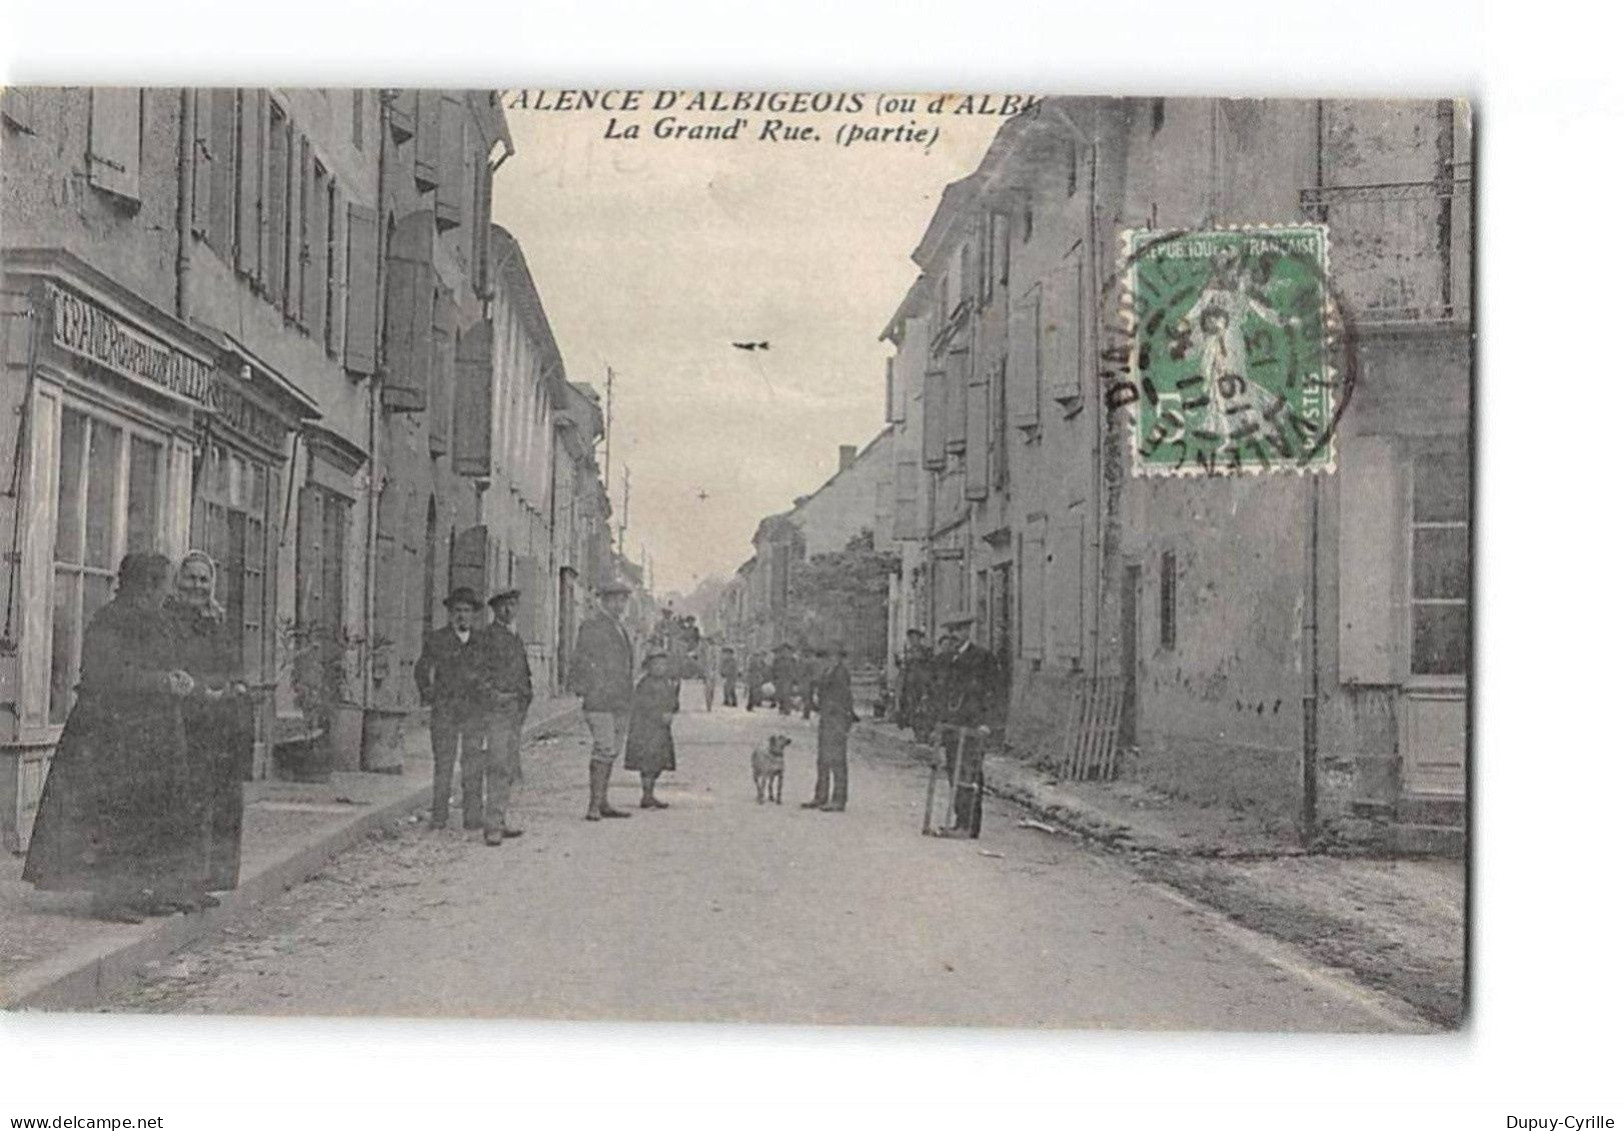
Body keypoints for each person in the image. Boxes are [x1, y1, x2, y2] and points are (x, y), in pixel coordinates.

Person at [23, 553, 200, 921]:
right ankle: (111, 898)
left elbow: (157, 665)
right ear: (146, 584)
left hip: (150, 731)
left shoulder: (156, 620)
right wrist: (161, 682)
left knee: (149, 813)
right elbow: (104, 677)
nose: (167, 591)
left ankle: (144, 892)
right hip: (112, 734)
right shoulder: (111, 621)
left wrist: (175, 677)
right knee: (116, 815)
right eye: (164, 583)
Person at [167, 550, 254, 895]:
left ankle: (215, 875)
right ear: (178, 581)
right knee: (190, 798)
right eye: (191, 577)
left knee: (222, 798)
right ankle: (185, 878)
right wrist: (202, 689)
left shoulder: (217, 622)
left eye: (204, 579)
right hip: (185, 719)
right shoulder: (168, 621)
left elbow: (233, 664)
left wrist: (236, 684)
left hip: (220, 722)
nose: (197, 586)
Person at [414, 587, 490, 832]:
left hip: (473, 712)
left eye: (467, 611)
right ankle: (439, 816)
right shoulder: (438, 639)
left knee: (473, 763)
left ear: (474, 615)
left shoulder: (482, 641)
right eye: (457, 611)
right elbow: (421, 670)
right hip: (445, 710)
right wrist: (430, 694)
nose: (462, 616)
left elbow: (492, 673)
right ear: (449, 613)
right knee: (443, 763)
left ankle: (473, 816)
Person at [570, 578, 637, 821]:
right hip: (600, 699)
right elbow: (581, 659)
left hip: (620, 699)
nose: (621, 604)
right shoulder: (592, 626)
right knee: (604, 747)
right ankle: (594, 805)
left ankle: (604, 800)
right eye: (616, 599)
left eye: (623, 600)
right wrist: (590, 688)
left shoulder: (621, 628)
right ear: (605, 601)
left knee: (612, 750)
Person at [934, 613, 1006, 837]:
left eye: (957, 631)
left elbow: (995, 693)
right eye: (950, 632)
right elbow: (940, 694)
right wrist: (938, 724)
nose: (953, 636)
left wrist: (988, 723)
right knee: (954, 773)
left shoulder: (983, 658)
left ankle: (970, 826)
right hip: (952, 728)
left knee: (970, 774)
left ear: (967, 632)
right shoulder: (946, 660)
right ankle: (959, 820)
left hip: (974, 726)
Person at [476, 588, 532, 846]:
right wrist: (494, 696)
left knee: (509, 765)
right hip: (496, 710)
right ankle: (492, 826)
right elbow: (477, 675)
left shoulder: (515, 637)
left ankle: (499, 818)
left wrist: (524, 700)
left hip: (514, 710)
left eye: (513, 605)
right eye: (504, 606)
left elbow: (523, 673)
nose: (509, 610)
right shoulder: (487, 637)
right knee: (498, 764)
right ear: (495, 610)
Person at [802, 644, 856, 812]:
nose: (829, 658)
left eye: (833, 655)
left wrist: (844, 717)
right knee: (823, 760)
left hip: (837, 718)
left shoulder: (841, 672)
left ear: (839, 657)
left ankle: (839, 800)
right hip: (827, 717)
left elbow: (844, 697)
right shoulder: (827, 672)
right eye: (828, 655)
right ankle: (821, 796)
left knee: (837, 760)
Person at [625, 651, 680, 809]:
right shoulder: (645, 684)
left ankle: (650, 793)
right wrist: (660, 714)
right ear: (649, 667)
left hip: (660, 730)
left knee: (658, 763)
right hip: (645, 730)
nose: (660, 668)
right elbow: (642, 706)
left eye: (663, 665)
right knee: (648, 763)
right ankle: (647, 795)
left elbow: (673, 703)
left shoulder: (666, 683)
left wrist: (672, 706)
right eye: (656, 665)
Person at [896, 628, 931, 731]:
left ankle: (922, 728)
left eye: (914, 638)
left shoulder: (925, 651)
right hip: (909, 682)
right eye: (910, 638)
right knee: (910, 704)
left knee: (922, 705)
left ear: (919, 639)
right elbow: (903, 668)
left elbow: (928, 665)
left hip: (922, 682)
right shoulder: (908, 652)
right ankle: (912, 725)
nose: (912, 640)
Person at [770, 643, 798, 717]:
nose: (785, 653)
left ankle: (787, 709)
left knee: (786, 694)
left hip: (788, 679)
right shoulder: (777, 660)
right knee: (780, 694)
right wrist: (773, 679)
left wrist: (795, 680)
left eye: (787, 651)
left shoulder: (793, 660)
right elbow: (773, 669)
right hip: (779, 678)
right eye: (783, 651)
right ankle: (782, 707)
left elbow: (795, 670)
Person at [798, 647, 820, 721]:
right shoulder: (812, 661)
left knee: (807, 698)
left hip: (808, 682)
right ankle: (808, 713)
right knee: (808, 699)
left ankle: (806, 714)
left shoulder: (810, 661)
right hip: (809, 681)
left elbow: (804, 672)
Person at [700, 638, 718, 712]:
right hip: (708, 673)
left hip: (712, 672)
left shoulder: (714, 652)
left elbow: (716, 663)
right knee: (708, 689)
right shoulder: (705, 652)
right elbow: (703, 662)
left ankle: (709, 704)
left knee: (710, 690)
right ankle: (709, 705)